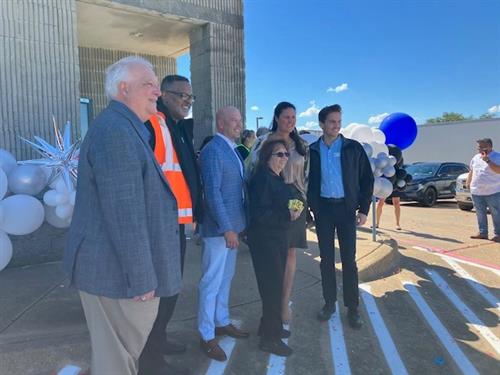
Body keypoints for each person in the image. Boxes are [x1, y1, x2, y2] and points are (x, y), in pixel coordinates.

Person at [62, 56, 182, 375]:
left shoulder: (126, 128)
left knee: (116, 359)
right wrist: (141, 277)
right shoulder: (117, 131)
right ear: (123, 89)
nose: (158, 91)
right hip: (116, 276)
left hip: (114, 272)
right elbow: (124, 213)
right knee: (116, 363)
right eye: (149, 84)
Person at [139, 74, 202, 374]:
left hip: (175, 222)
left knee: (172, 287)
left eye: (191, 97)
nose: (188, 101)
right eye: (182, 95)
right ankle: (149, 359)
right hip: (159, 224)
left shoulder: (177, 128)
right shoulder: (153, 125)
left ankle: (159, 339)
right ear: (163, 94)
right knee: (160, 291)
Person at [308, 104, 373, 328]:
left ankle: (352, 308)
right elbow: (307, 181)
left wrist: (363, 209)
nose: (336, 126)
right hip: (324, 211)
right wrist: (312, 207)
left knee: (348, 260)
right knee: (326, 260)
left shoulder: (353, 148)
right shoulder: (313, 150)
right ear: (322, 124)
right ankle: (329, 303)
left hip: (346, 211)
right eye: (332, 122)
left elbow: (367, 180)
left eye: (338, 121)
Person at [248, 102, 309, 325]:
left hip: (296, 203)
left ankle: (284, 303)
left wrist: (304, 204)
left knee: (290, 255)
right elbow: (252, 170)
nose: (290, 121)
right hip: (271, 201)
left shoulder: (301, 145)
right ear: (276, 117)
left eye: (294, 117)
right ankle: (272, 308)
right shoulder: (264, 142)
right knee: (274, 259)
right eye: (286, 117)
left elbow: (307, 175)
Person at [197, 106, 249, 361]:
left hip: (232, 228)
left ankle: (221, 320)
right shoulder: (213, 151)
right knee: (211, 281)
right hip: (219, 230)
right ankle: (206, 335)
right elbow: (213, 193)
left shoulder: (231, 149)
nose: (239, 125)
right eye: (233, 121)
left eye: (240, 120)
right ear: (220, 124)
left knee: (225, 277)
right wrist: (228, 228)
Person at [248, 139, 301, 357]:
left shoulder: (275, 177)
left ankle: (268, 328)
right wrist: (286, 215)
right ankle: (270, 339)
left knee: (275, 286)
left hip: (277, 238)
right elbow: (259, 214)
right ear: (267, 156)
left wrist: (295, 206)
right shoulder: (262, 179)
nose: (284, 159)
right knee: (271, 290)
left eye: (286, 155)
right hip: (265, 241)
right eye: (279, 155)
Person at [467, 138, 500, 242]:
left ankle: (498, 234)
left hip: (493, 191)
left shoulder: (497, 156)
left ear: (490, 146)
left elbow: (498, 170)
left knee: (496, 213)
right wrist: (468, 183)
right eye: (478, 147)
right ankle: (483, 233)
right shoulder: (476, 157)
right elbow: (472, 171)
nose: (479, 149)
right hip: (476, 191)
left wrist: (488, 160)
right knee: (480, 213)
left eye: (481, 146)